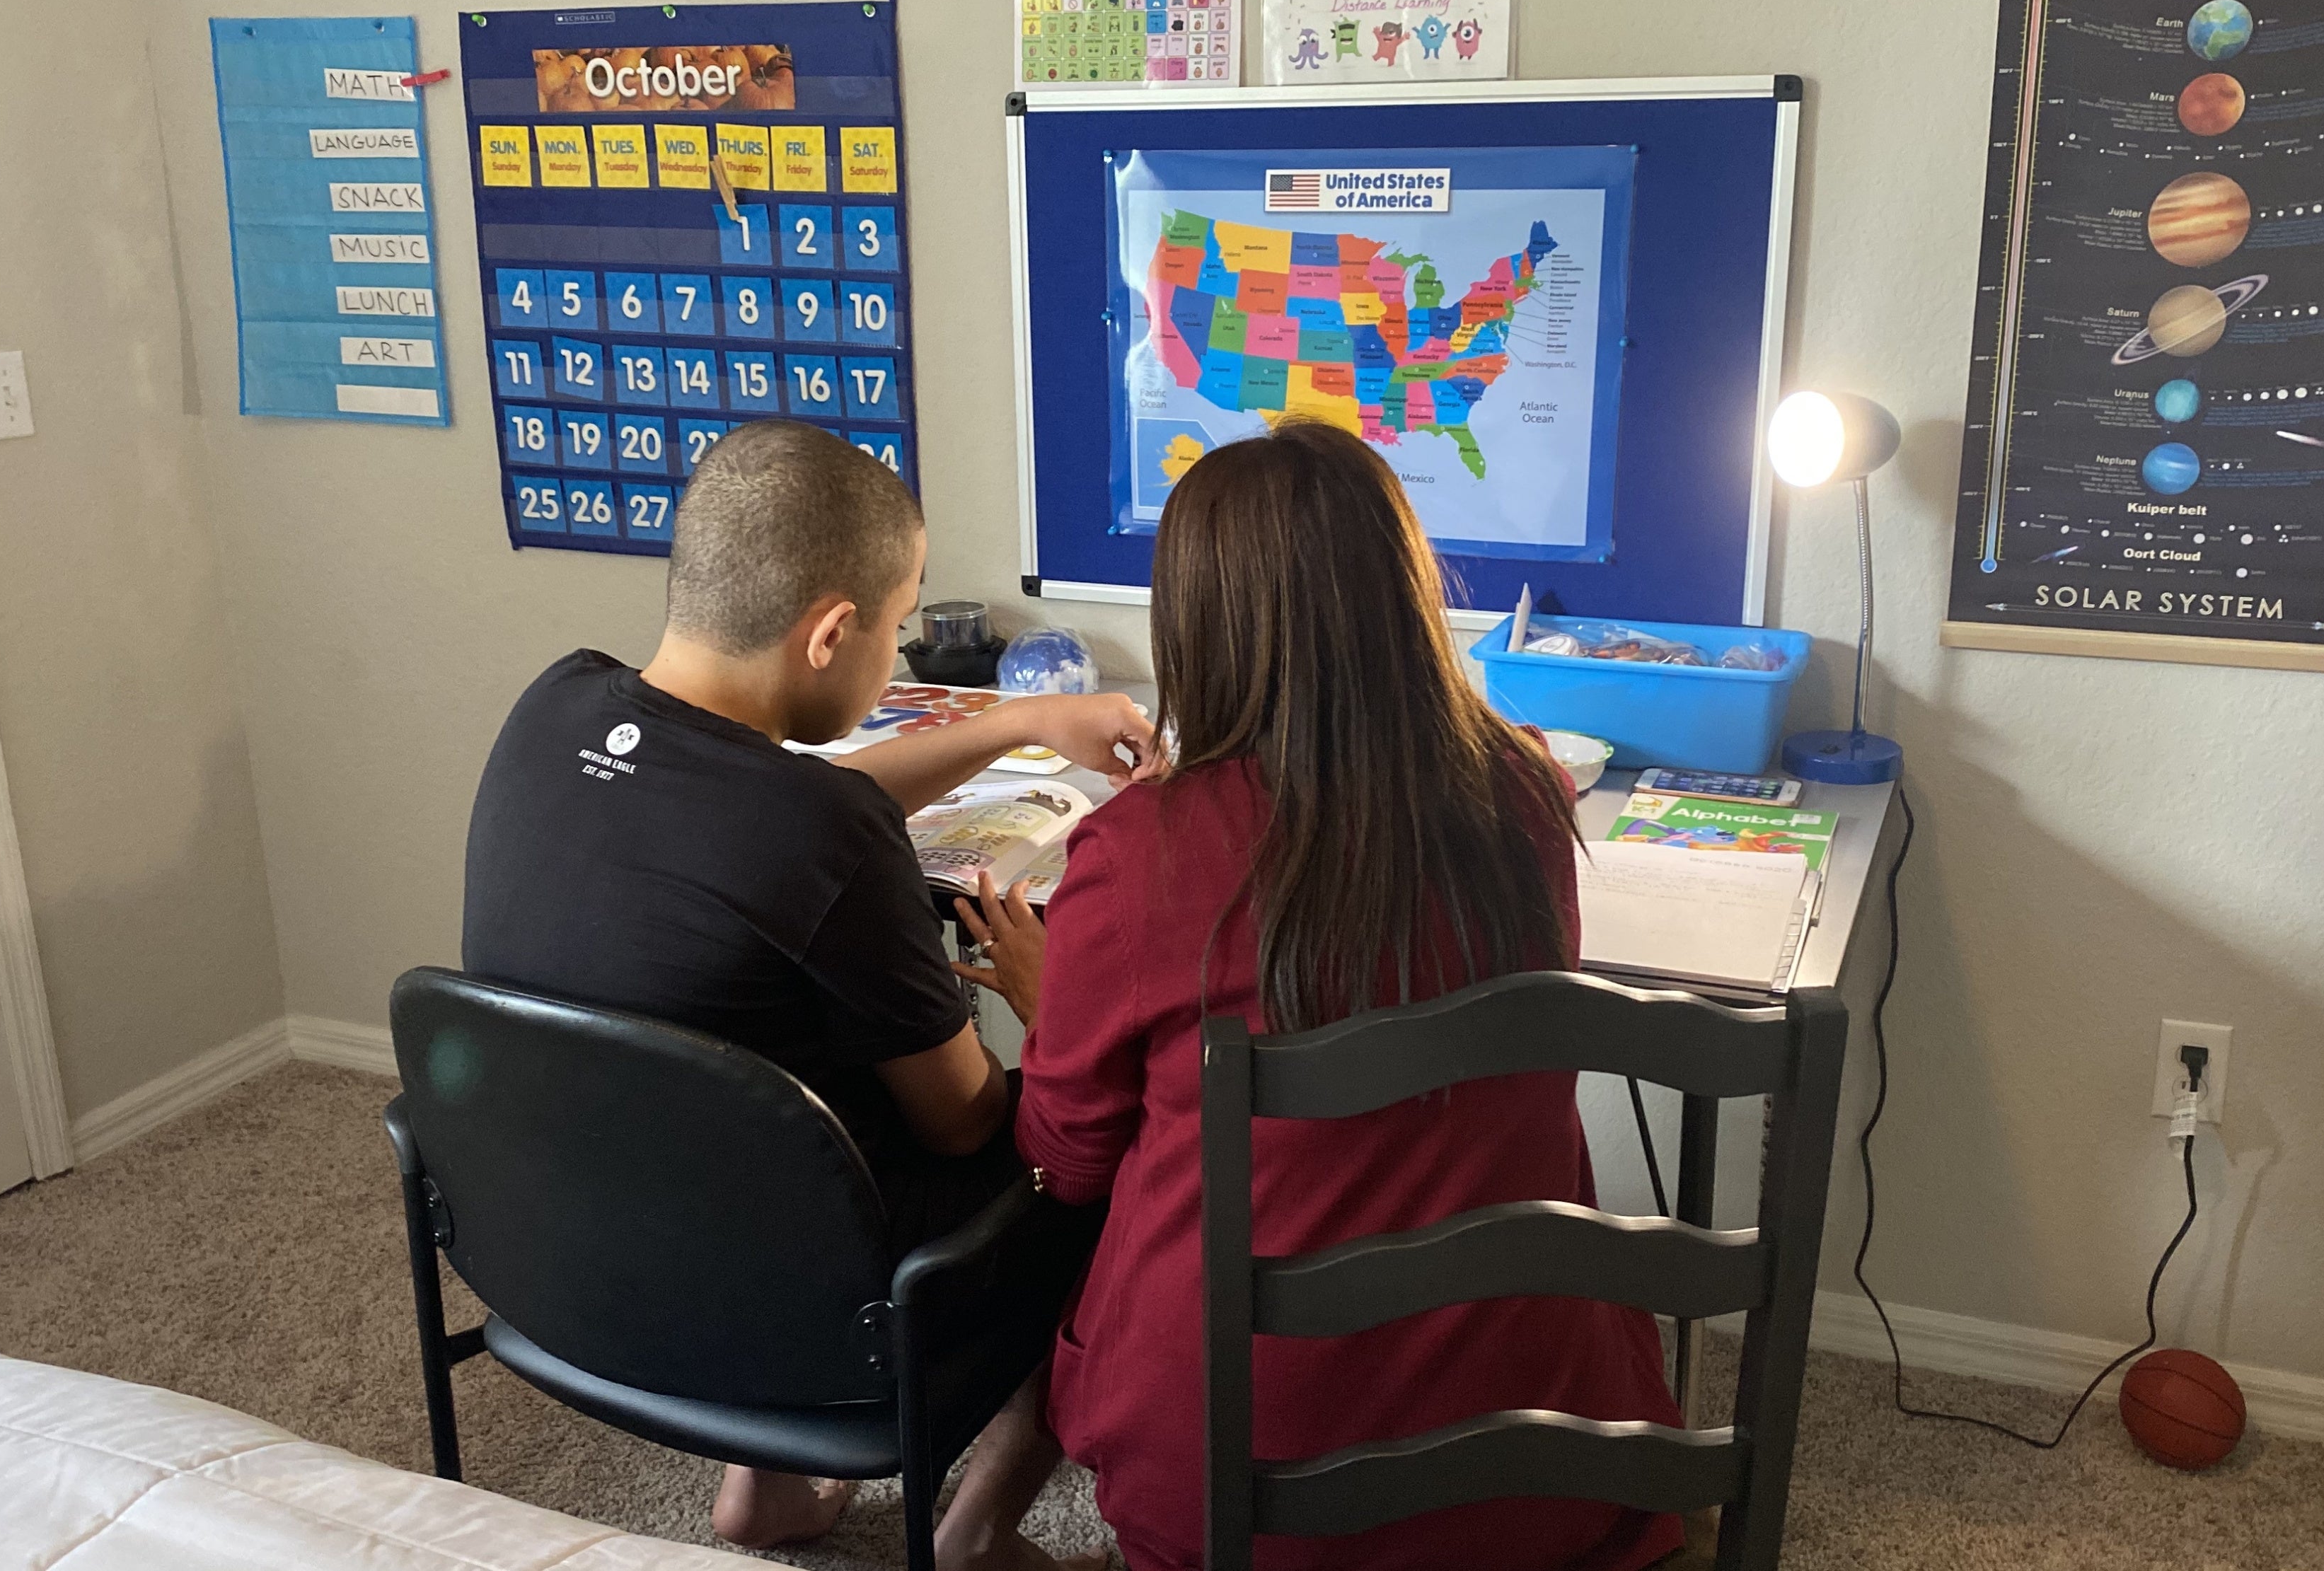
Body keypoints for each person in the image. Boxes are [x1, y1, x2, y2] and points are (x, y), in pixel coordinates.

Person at [956, 420, 1690, 1571]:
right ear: (1401, 595)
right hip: (1539, 1446)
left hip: (1234, 1468)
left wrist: (1055, 1007)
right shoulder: (1530, 794)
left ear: (1197, 622)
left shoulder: (1138, 849)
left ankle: (978, 1516)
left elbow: (1072, 1159)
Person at [461, 422, 1155, 1571]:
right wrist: (1058, 1007)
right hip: (805, 1310)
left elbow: (785, 800)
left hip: (552, 1256)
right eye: (895, 626)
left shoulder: (557, 708)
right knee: (1096, 1144)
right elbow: (970, 1121)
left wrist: (1022, 723)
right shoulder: (821, 839)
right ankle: (979, 1527)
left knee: (742, 1086)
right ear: (833, 631)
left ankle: (765, 1489)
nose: (890, 656)